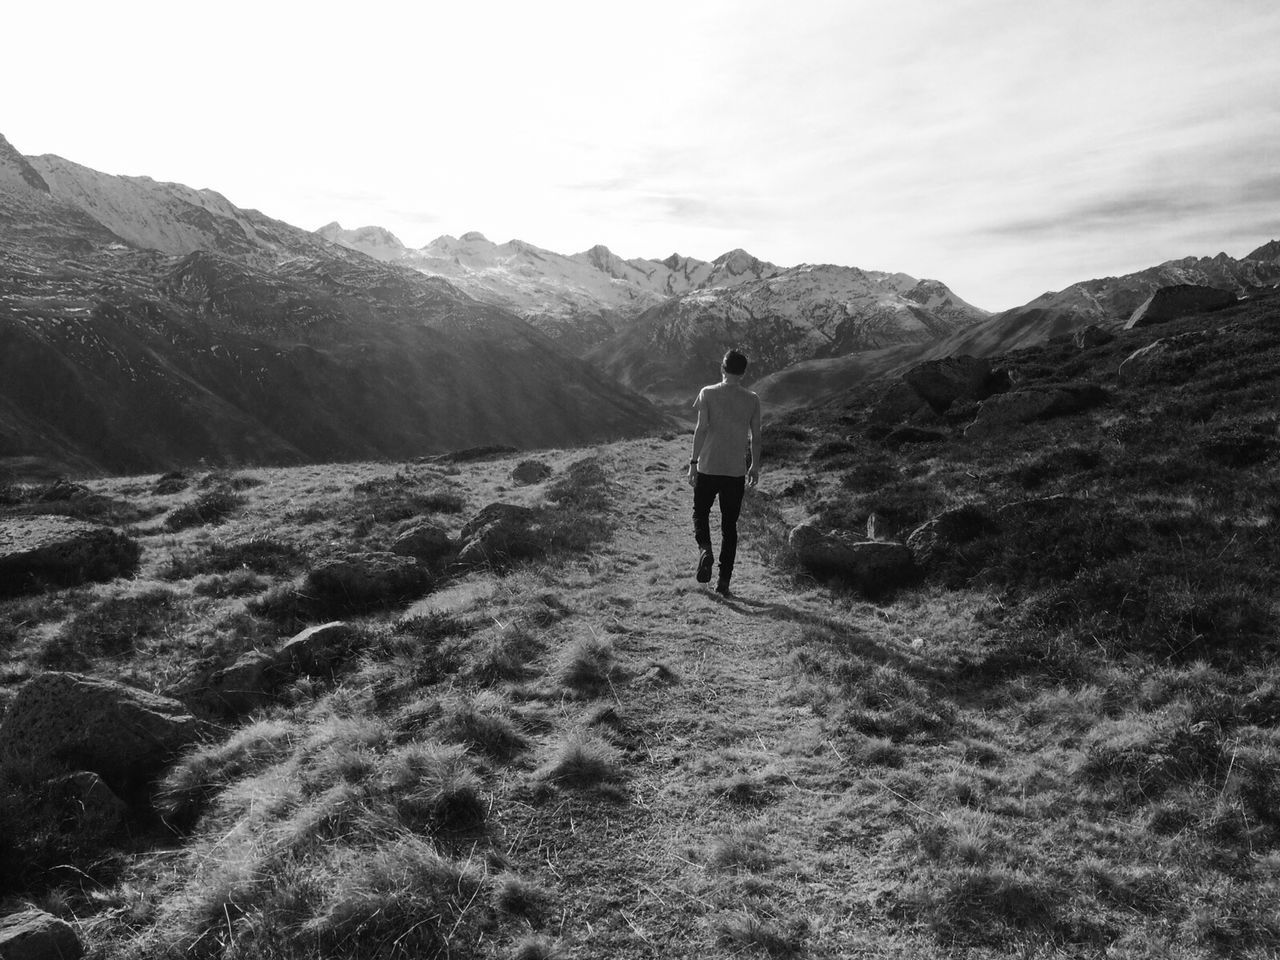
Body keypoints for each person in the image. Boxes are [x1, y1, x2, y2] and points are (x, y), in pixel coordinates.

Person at [687, 348, 761, 596]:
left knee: (700, 512)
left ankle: (705, 550)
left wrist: (693, 462)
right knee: (730, 526)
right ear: (743, 372)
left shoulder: (707, 393)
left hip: (708, 466)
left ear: (722, 368)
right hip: (735, 471)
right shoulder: (752, 399)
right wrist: (755, 465)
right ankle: (724, 582)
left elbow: (701, 429)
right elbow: (756, 437)